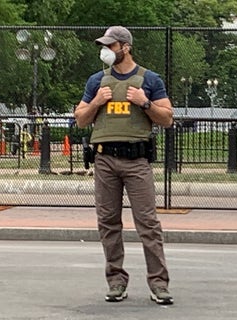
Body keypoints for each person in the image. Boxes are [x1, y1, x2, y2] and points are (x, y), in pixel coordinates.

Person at [73, 26, 174, 305]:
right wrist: (96, 102)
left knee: (148, 223)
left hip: (136, 159)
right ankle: (116, 281)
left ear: (125, 47)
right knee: (108, 222)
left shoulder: (149, 80)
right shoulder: (97, 81)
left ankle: (159, 284)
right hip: (104, 159)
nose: (105, 51)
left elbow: (167, 118)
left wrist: (145, 103)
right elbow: (81, 118)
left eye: (111, 45)